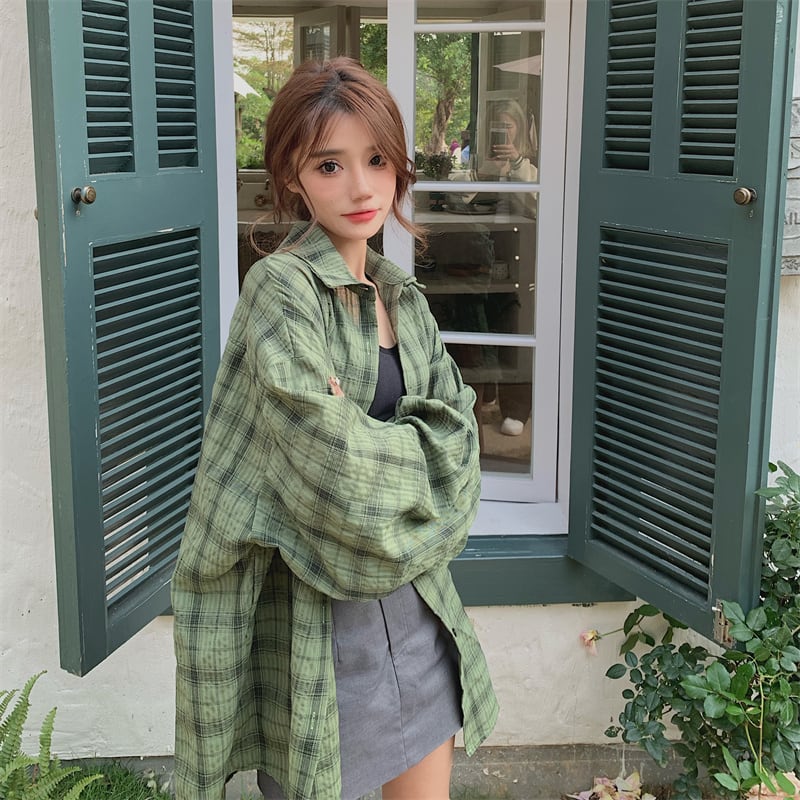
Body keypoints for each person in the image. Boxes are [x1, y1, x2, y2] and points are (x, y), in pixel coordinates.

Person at [171, 57, 498, 800]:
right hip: (318, 636)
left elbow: (461, 449)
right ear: (293, 174)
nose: (362, 187)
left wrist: (380, 441)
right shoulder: (279, 292)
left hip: (420, 621)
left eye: (377, 159)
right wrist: (417, 457)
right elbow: (332, 476)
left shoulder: (401, 296)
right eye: (330, 164)